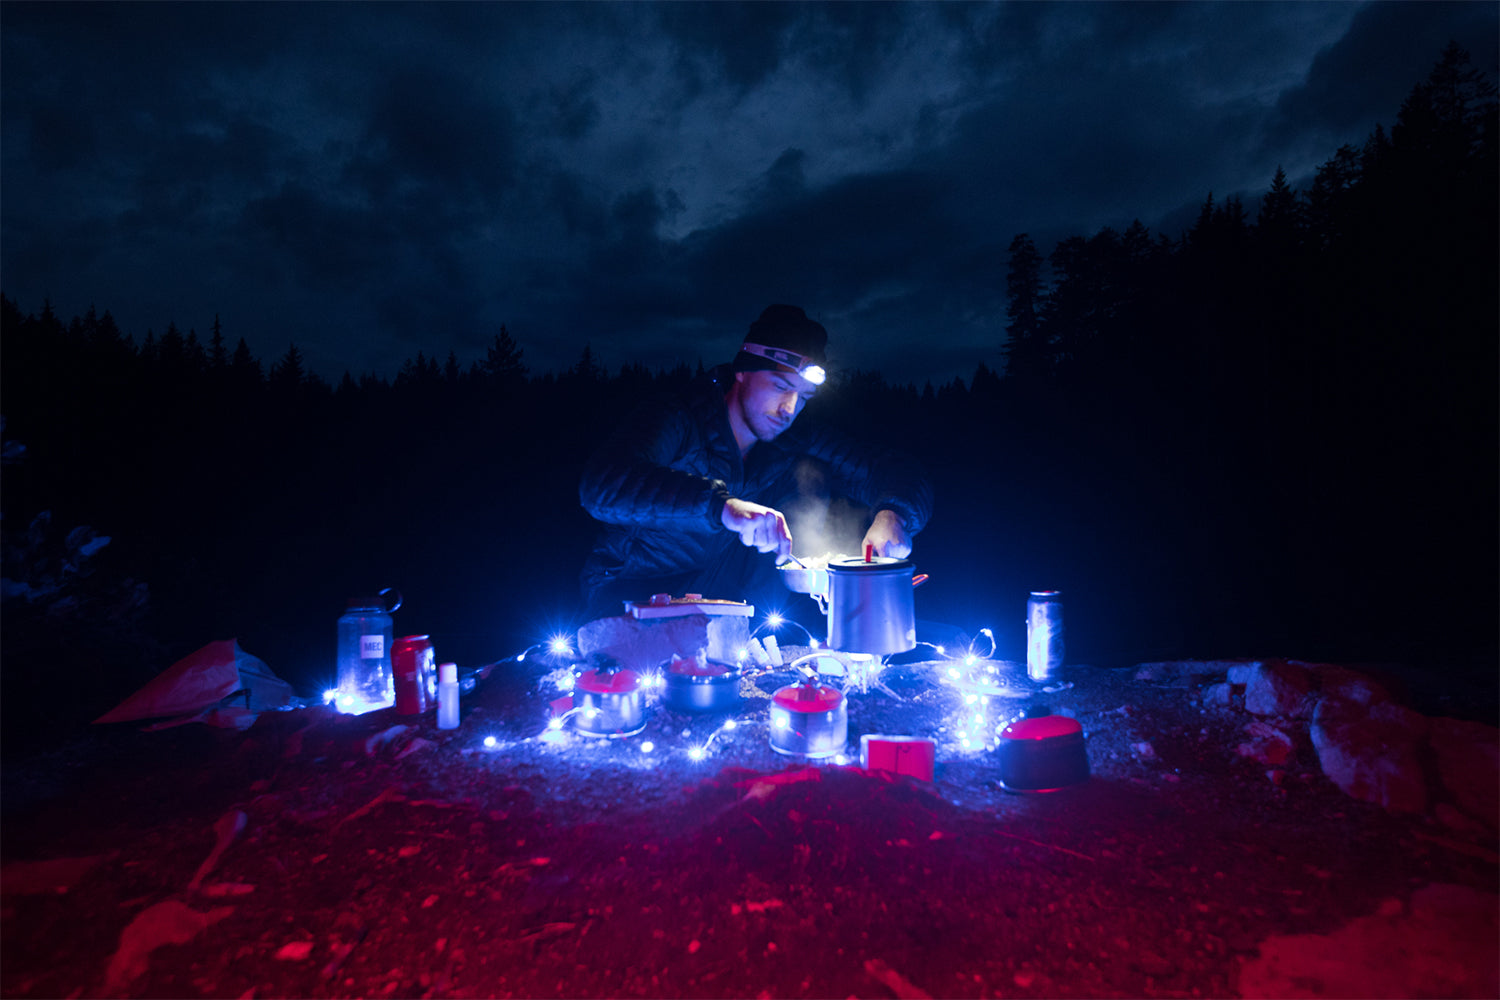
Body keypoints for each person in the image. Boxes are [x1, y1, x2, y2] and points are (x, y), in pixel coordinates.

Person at [578, 304, 933, 622]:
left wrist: (894, 514)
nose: (790, 409)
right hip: (633, 594)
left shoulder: (794, 437)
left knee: (805, 475)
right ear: (743, 372)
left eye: (803, 397)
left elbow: (891, 469)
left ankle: (770, 639)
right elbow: (602, 485)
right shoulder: (679, 416)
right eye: (780, 386)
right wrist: (720, 506)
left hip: (725, 603)